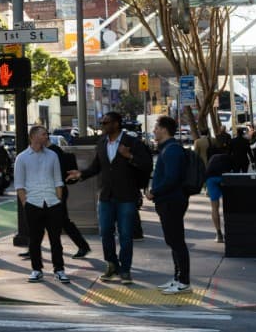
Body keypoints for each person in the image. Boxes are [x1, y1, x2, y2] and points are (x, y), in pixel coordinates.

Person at [67, 111, 153, 284]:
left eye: (106, 123)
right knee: (105, 232)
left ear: (116, 124)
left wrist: (129, 156)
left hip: (126, 196)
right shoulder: (101, 143)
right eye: (102, 122)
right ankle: (112, 264)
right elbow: (96, 167)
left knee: (125, 234)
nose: (103, 126)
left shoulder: (132, 142)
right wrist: (81, 174)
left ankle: (125, 270)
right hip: (106, 196)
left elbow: (146, 165)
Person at [14, 126, 71, 283]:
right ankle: (36, 269)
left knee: (55, 240)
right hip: (33, 203)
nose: (47, 136)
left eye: (46, 134)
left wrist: (58, 201)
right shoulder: (22, 158)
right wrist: (26, 203)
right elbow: (19, 185)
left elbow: (58, 180)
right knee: (34, 239)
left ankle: (59, 270)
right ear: (33, 136)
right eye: (44, 134)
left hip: (53, 203)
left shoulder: (52, 155)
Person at [146, 115, 192, 294]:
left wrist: (154, 192)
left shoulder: (172, 150)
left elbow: (172, 179)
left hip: (171, 201)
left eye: (156, 128)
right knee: (172, 241)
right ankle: (177, 278)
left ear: (164, 130)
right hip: (167, 201)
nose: (154, 131)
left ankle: (184, 281)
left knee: (177, 241)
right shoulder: (167, 148)